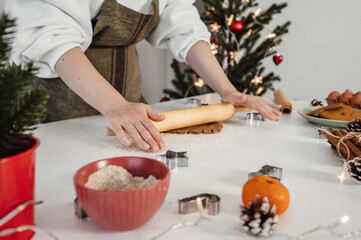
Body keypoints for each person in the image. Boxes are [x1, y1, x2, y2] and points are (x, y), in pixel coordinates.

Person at [5, 0, 281, 152]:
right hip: (53, 114)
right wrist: (113, 105)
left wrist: (227, 90)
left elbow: (181, 22)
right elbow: (51, 36)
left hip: (128, 111)